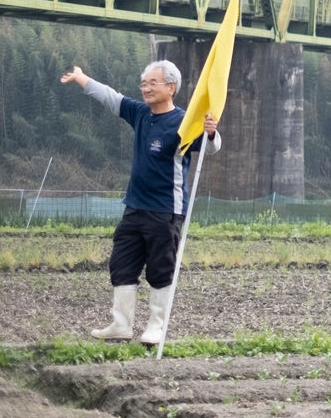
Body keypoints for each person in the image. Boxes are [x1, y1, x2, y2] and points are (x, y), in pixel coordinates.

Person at [59, 61, 221, 345]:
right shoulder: (141, 114)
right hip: (134, 207)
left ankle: (156, 327)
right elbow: (111, 97)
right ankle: (121, 325)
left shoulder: (185, 121)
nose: (145, 88)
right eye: (143, 83)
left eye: (152, 83)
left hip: (165, 211)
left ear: (171, 88)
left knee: (161, 268)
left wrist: (210, 131)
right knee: (122, 264)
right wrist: (82, 78)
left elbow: (210, 148)